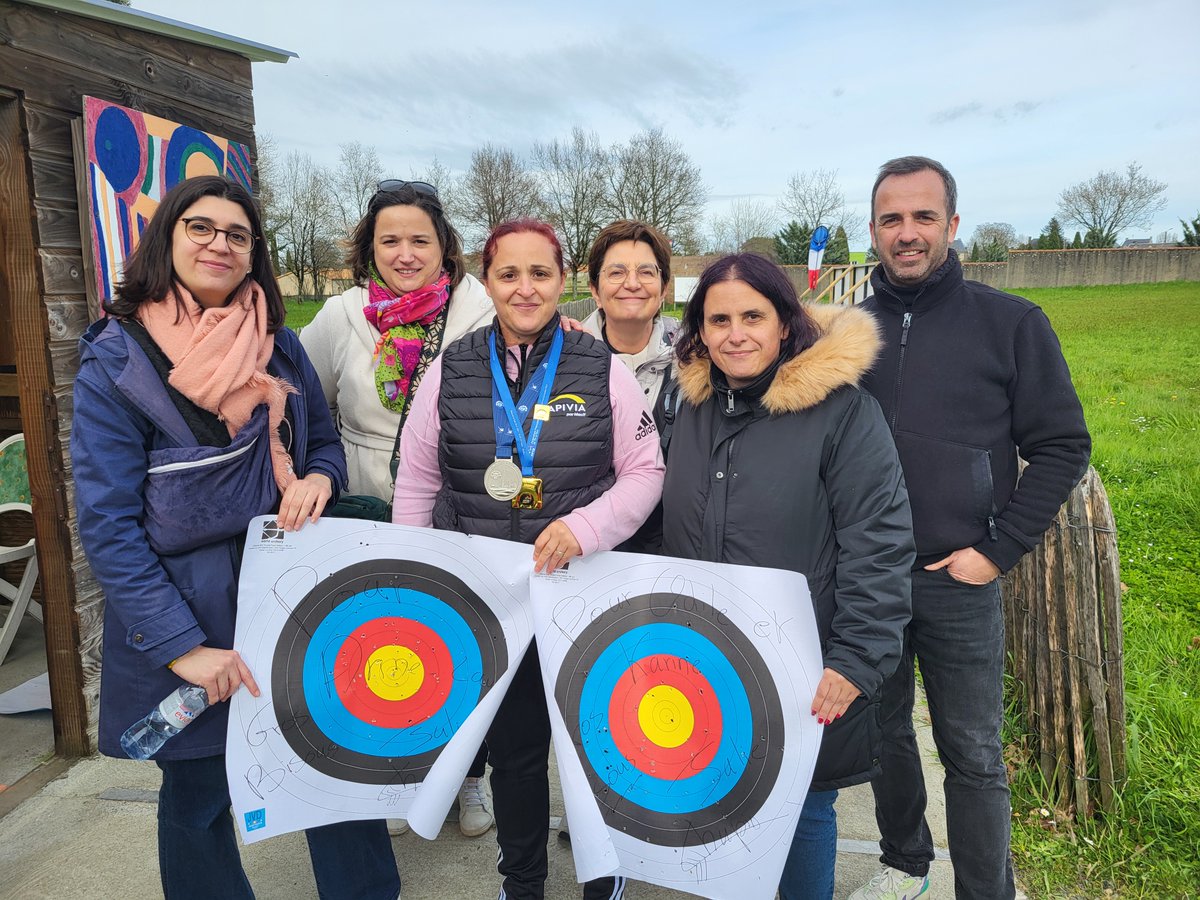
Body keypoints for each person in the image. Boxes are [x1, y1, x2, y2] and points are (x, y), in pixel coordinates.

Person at [71, 175, 400, 899]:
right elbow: (109, 523)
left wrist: (319, 479)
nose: (219, 243)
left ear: (254, 254)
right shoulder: (118, 359)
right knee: (199, 797)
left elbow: (321, 443)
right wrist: (181, 647)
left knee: (334, 771)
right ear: (168, 239)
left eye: (238, 234)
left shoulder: (279, 347)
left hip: (296, 596)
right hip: (189, 609)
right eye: (201, 227)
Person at [393, 218, 665, 899]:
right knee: (514, 756)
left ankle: (603, 877)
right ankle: (522, 883)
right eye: (508, 274)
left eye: (540, 273)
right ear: (486, 282)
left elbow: (645, 471)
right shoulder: (452, 368)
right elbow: (418, 482)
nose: (525, 288)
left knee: (596, 749)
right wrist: (416, 576)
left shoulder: (599, 367)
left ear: (562, 281)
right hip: (495, 602)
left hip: (581, 594)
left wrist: (585, 527)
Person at [851, 156, 1091, 900]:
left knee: (974, 754)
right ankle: (906, 863)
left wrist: (998, 550)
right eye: (892, 219)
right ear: (873, 231)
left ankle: (986, 890)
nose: (908, 232)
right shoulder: (842, 331)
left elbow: (1063, 446)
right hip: (869, 579)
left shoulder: (1011, 323)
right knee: (884, 734)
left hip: (959, 579)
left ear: (952, 225)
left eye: (924, 216)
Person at [661, 252, 916, 900]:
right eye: (719, 320)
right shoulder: (693, 406)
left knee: (801, 806)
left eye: (753, 317)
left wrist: (856, 658)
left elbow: (879, 540)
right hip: (708, 657)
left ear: (785, 323)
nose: (735, 334)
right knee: (716, 801)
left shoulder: (843, 413)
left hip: (803, 661)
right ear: (699, 330)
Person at [298, 179, 494, 837]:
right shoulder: (341, 316)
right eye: (390, 240)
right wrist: (318, 474)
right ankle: (397, 773)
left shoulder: (480, 312)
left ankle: (470, 778)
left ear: (444, 246)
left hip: (454, 501)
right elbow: (305, 402)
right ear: (370, 248)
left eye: (419, 239)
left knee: (459, 643)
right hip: (365, 502)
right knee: (380, 643)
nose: (405, 253)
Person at [579, 219, 677, 555]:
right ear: (595, 290)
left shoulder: (698, 362)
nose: (632, 283)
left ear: (664, 288)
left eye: (646, 272)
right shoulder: (562, 362)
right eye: (616, 272)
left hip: (672, 551)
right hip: (586, 552)